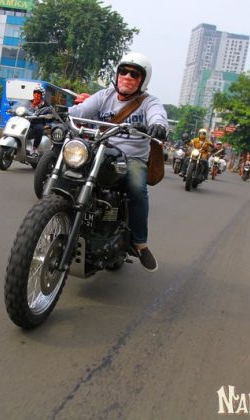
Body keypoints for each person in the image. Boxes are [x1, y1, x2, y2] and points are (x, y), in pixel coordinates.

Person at [68, 52, 167, 272]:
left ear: (143, 80)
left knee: (137, 189)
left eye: (134, 74)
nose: (127, 77)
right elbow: (80, 111)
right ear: (117, 74)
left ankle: (140, 243)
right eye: (124, 71)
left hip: (132, 157)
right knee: (71, 169)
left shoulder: (149, 102)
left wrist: (158, 125)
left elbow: (157, 115)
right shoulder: (104, 95)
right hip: (100, 150)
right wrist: (57, 111)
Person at [27, 85, 50, 155]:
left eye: (38, 93)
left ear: (42, 94)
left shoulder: (45, 104)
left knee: (39, 128)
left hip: (38, 123)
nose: (36, 94)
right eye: (35, 92)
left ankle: (34, 149)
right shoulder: (29, 102)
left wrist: (48, 114)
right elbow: (23, 107)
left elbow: (49, 111)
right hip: (28, 122)